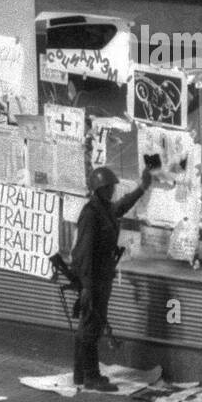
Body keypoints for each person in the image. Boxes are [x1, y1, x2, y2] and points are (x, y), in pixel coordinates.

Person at [70, 165, 154, 389]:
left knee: (89, 323)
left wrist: (142, 187)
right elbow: (84, 251)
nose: (111, 192)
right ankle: (91, 376)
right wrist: (86, 286)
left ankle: (80, 374)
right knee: (92, 325)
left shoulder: (103, 209)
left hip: (100, 276)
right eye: (107, 188)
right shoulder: (91, 213)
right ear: (98, 190)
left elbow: (121, 206)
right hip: (93, 278)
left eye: (111, 188)